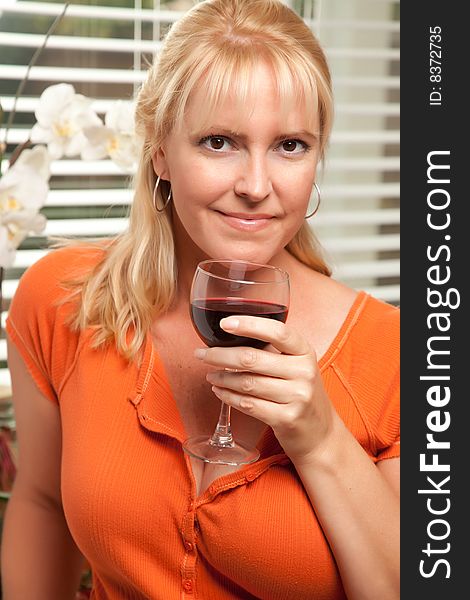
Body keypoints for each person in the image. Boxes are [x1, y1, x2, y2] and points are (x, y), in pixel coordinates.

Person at [1, 0, 400, 598]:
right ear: (160, 150)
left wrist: (319, 439)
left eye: (291, 145)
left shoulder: (396, 353)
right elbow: (42, 501)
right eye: (220, 142)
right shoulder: (62, 301)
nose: (257, 187)